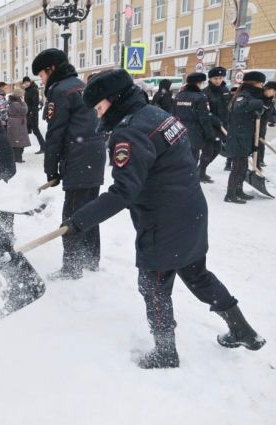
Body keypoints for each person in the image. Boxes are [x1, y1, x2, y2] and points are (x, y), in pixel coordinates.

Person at [63, 69, 265, 368]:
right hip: (191, 210)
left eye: (99, 106)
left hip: (162, 222)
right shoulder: (157, 114)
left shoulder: (128, 133)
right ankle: (241, 329)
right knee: (197, 274)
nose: (97, 113)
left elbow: (123, 192)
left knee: (153, 285)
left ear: (112, 99)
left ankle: (166, 353)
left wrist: (79, 220)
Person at [31, 48, 106, 280]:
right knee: (91, 209)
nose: (41, 80)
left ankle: (72, 267)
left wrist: (50, 168)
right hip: (94, 153)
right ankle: (91, 260)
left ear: (51, 69)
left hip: (78, 156)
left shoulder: (60, 91)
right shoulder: (82, 85)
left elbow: (55, 134)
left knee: (73, 213)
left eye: (41, 75)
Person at [224, 72, 268, 204]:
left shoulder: (251, 95)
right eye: (261, 83)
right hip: (237, 137)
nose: (262, 86)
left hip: (244, 136)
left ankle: (239, 190)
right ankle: (230, 194)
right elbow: (239, 108)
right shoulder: (243, 95)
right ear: (253, 83)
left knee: (242, 167)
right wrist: (259, 102)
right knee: (237, 167)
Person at [173, 72, 218, 183]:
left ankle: (182, 177)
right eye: (201, 83)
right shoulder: (200, 97)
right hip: (195, 132)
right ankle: (190, 180)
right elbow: (204, 118)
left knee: (183, 157)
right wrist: (210, 134)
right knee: (195, 156)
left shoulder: (179, 96)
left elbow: (173, 114)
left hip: (180, 130)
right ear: (198, 83)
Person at [6, 88, 30, 163]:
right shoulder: (16, 103)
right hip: (17, 124)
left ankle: (16, 157)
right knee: (18, 143)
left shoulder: (13, 102)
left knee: (16, 142)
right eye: (22, 95)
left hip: (15, 123)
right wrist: (24, 103)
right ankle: (17, 158)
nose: (23, 96)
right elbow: (24, 110)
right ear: (19, 96)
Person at [22, 76, 46, 153]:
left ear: (30, 82)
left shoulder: (33, 90)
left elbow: (35, 103)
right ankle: (18, 149)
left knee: (34, 131)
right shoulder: (27, 91)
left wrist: (32, 113)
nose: (25, 84)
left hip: (32, 114)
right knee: (27, 131)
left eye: (27, 82)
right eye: (24, 83)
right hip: (28, 114)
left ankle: (43, 147)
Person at [257, 81, 276, 169]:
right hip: (253, 125)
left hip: (262, 126)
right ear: (267, 89)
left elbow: (272, 113)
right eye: (273, 91)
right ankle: (229, 162)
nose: (274, 93)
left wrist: (273, 120)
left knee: (261, 143)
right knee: (251, 145)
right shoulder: (258, 98)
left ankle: (260, 160)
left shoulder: (271, 100)